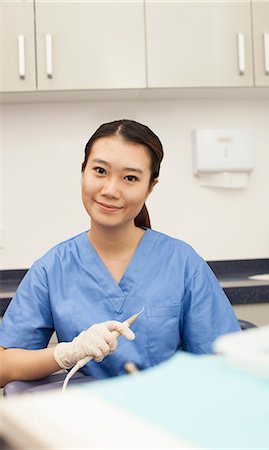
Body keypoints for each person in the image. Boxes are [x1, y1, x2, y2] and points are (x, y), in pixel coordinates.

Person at [0, 119, 240, 387]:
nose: (110, 190)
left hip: (167, 416)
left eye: (130, 178)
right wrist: (66, 353)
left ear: (150, 186)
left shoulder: (183, 263)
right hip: (85, 419)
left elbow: (224, 362)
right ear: (83, 172)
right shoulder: (52, 269)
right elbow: (4, 366)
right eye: (100, 171)